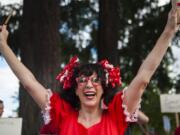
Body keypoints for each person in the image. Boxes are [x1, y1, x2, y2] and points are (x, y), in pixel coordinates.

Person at [0, 4, 179, 135]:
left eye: (95, 80)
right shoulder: (60, 113)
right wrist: (3, 46)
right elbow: (29, 83)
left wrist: (169, 31)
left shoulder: (117, 113)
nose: (89, 85)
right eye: (82, 81)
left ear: (103, 88)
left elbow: (143, 78)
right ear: (75, 89)